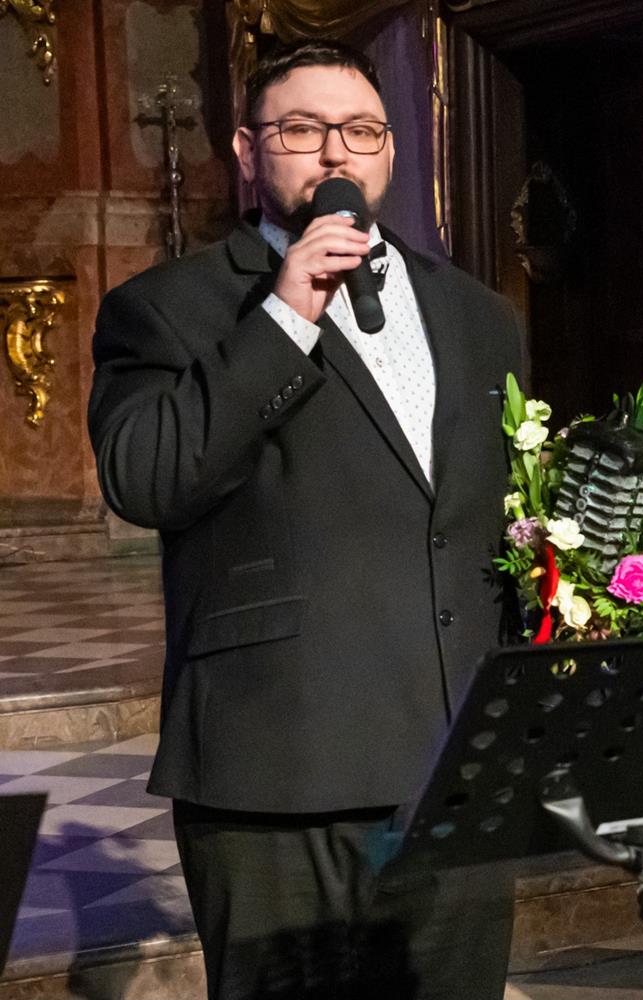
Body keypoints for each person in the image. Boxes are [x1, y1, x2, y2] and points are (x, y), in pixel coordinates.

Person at [88, 40, 523, 1000]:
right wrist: (285, 316)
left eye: (361, 130)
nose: (335, 153)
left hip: (452, 761)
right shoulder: (167, 308)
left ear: (391, 152)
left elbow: (484, 517)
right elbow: (147, 480)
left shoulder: (479, 315)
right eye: (302, 129)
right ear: (248, 152)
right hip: (278, 764)